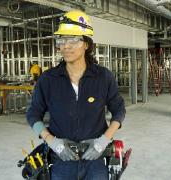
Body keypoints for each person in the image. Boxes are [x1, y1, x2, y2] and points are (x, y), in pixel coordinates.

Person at [26, 10, 126, 180]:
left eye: (73, 39)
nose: (65, 46)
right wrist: (52, 142)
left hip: (95, 161)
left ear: (86, 44)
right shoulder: (48, 79)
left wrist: (103, 141)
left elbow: (119, 111)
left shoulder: (103, 77)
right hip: (61, 161)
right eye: (61, 40)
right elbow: (33, 114)